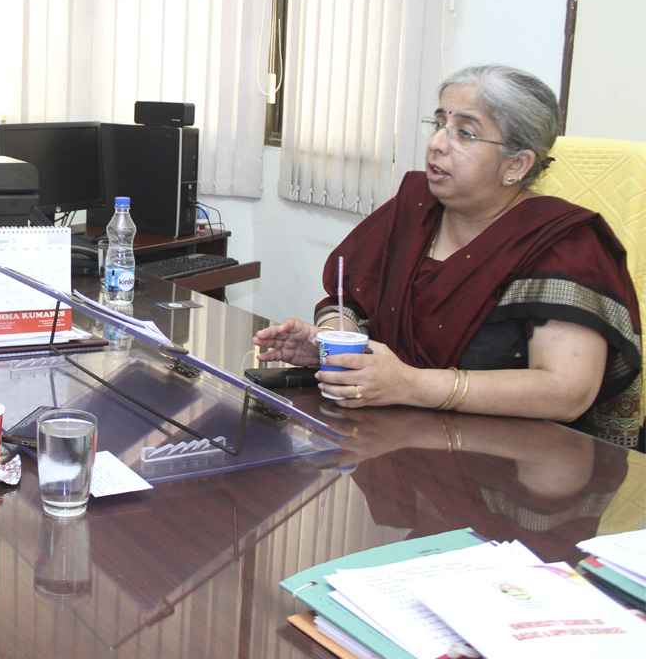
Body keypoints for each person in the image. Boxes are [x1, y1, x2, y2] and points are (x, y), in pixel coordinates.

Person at [254, 65, 642, 448]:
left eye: (465, 133)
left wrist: (412, 385)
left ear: (517, 164)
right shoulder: (414, 206)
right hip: (386, 438)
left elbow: (566, 391)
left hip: (503, 460)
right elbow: (353, 300)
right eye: (439, 123)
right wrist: (337, 342)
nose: (438, 143)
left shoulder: (564, 243)